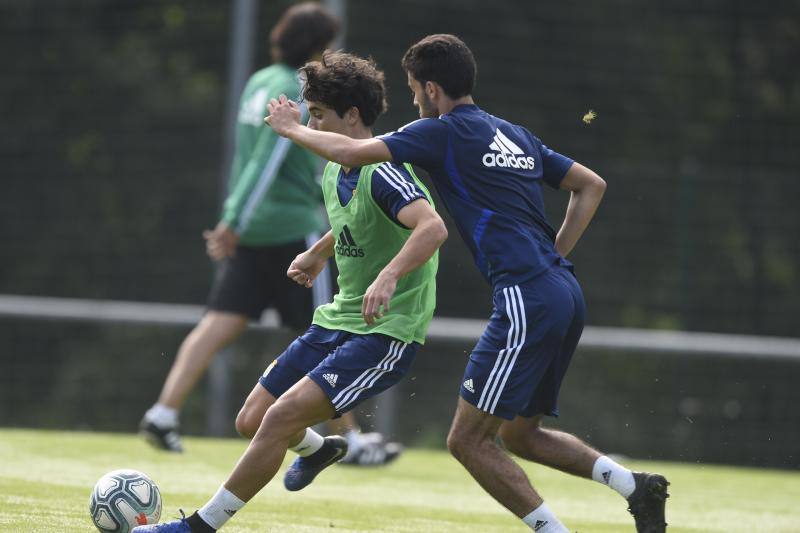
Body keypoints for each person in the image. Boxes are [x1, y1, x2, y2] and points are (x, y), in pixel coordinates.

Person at [262, 34, 670, 533]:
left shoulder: (441, 132)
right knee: (521, 436)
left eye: (414, 89)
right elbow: (591, 185)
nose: (413, 100)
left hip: (527, 298)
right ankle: (635, 486)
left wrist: (290, 130)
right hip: (563, 291)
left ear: (432, 89)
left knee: (466, 441)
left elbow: (357, 150)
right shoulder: (513, 134)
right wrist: (554, 256)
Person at [133, 51, 447, 533]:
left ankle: (198, 526)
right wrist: (322, 250)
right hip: (337, 321)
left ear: (352, 117)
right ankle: (323, 450)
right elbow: (362, 220)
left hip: (385, 333)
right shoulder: (333, 168)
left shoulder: (382, 168)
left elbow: (431, 228)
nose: (310, 122)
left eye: (318, 114)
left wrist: (387, 278)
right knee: (252, 419)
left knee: (279, 418)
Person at [138, 2, 400, 465]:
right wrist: (234, 219)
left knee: (218, 322)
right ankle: (353, 440)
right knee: (331, 325)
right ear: (317, 45)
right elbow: (268, 159)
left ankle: (163, 411)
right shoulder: (291, 90)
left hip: (253, 225)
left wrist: (236, 217)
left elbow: (246, 158)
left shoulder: (259, 80)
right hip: (289, 226)